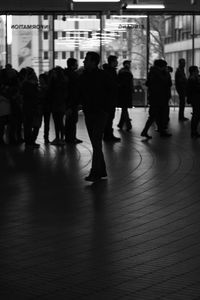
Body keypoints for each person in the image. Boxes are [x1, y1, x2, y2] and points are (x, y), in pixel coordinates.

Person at [78, 51, 111, 182]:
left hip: (99, 113)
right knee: (95, 143)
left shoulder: (102, 76)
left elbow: (111, 93)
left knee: (96, 142)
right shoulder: (84, 76)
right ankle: (101, 170)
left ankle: (95, 172)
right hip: (91, 112)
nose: (84, 61)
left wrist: (105, 109)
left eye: (86, 59)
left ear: (93, 62)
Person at [141, 59, 172, 139]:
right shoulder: (158, 73)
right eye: (165, 66)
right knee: (158, 115)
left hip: (155, 97)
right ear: (161, 66)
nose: (166, 67)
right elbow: (166, 82)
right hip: (159, 97)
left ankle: (156, 131)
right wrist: (167, 74)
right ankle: (155, 131)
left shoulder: (152, 72)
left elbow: (148, 83)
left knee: (155, 115)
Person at [64, 58, 82, 144]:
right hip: (72, 102)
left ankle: (69, 137)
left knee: (69, 120)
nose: (77, 65)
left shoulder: (65, 73)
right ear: (72, 65)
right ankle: (72, 138)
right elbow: (75, 91)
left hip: (67, 101)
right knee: (73, 120)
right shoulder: (74, 75)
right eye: (76, 64)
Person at [102, 55, 121, 142]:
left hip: (109, 98)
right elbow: (111, 84)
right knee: (109, 117)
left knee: (109, 118)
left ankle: (108, 134)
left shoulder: (107, 71)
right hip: (110, 98)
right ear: (112, 62)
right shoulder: (110, 71)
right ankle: (108, 135)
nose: (117, 62)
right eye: (116, 61)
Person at [117, 60, 134, 131]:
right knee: (124, 108)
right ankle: (128, 124)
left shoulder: (122, 71)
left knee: (124, 108)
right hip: (126, 92)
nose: (130, 65)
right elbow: (127, 83)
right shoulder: (126, 72)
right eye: (129, 64)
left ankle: (121, 124)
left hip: (123, 92)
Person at [186, 65, 200, 138]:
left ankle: (194, 131)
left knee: (196, 115)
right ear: (193, 71)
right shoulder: (193, 79)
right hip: (196, 99)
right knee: (196, 116)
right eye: (197, 70)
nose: (198, 71)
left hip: (195, 99)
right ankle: (194, 131)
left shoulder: (193, 78)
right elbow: (195, 89)